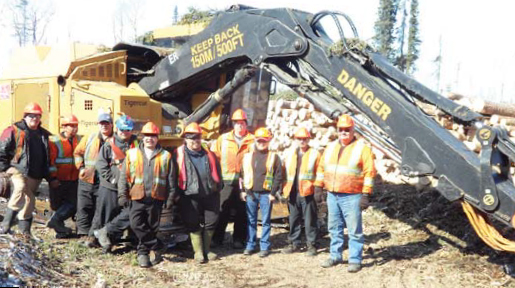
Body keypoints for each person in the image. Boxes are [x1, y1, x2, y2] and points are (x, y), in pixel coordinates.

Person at [315, 114, 376, 272]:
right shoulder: (330, 147)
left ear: (352, 130)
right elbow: (322, 168)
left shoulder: (362, 148)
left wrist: (365, 194)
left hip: (352, 195)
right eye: (341, 129)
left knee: (354, 230)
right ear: (337, 130)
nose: (344, 132)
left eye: (347, 129)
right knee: (334, 227)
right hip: (332, 194)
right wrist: (318, 187)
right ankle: (335, 256)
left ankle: (355, 259)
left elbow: (369, 172)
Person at [119, 121, 174, 268]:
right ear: (142, 137)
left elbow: (171, 180)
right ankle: (156, 245)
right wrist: (122, 195)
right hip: (137, 197)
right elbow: (123, 177)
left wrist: (170, 198)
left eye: (153, 135)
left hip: (156, 197)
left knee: (151, 226)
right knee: (136, 224)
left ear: (157, 138)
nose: (150, 138)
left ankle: (143, 253)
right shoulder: (131, 153)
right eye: (147, 135)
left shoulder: (166, 156)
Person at [0, 102, 56, 235]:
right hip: (17, 169)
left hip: (35, 173)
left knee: (29, 200)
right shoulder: (13, 131)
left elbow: (48, 158)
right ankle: (6, 224)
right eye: (31, 116)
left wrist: (50, 177)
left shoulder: (44, 135)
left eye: (37, 116)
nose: (34, 119)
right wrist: (4, 169)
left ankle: (24, 230)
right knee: (20, 188)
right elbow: (2, 150)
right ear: (25, 116)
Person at [174, 122, 223, 264]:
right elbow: (172, 175)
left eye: (197, 137)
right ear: (186, 139)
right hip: (189, 194)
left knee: (212, 221)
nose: (195, 140)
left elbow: (218, 171)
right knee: (193, 222)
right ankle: (198, 252)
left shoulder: (209, 154)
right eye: (191, 137)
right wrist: (176, 194)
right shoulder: (178, 155)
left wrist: (219, 186)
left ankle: (207, 249)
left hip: (210, 193)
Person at [93, 114, 138, 252]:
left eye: (127, 130)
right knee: (106, 214)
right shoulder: (109, 144)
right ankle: (99, 241)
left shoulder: (137, 143)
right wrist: (113, 179)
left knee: (130, 214)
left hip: (130, 187)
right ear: (117, 129)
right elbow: (101, 164)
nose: (124, 133)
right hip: (111, 186)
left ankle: (124, 239)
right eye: (122, 130)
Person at [211, 109, 254, 249]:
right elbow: (214, 158)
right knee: (223, 210)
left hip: (245, 182)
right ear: (233, 124)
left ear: (246, 124)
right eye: (237, 123)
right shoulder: (223, 139)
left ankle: (238, 239)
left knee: (242, 211)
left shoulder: (252, 140)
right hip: (226, 181)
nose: (240, 126)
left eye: (242, 123)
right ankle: (217, 239)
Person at [240, 127, 283, 258]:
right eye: (259, 141)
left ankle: (264, 246)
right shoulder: (247, 157)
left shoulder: (273, 157)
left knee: (265, 221)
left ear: (268, 141)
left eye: (264, 141)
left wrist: (273, 193)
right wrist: (242, 191)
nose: (261, 143)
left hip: (266, 194)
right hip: (251, 193)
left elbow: (278, 175)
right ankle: (250, 245)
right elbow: (241, 175)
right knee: (251, 220)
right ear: (255, 141)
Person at [74, 112, 113, 246]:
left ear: (111, 125)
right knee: (83, 206)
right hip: (87, 178)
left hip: (104, 180)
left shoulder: (115, 140)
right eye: (102, 123)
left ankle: (92, 236)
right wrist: (80, 167)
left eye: (107, 123)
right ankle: (83, 233)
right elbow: (78, 153)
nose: (104, 126)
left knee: (99, 208)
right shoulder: (90, 137)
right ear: (98, 124)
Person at [280, 127, 320, 256]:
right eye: (299, 139)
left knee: (310, 220)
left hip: (308, 191)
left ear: (308, 139)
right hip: (292, 191)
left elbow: (320, 172)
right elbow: (283, 171)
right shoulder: (290, 153)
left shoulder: (315, 154)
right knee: (293, 219)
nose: (302, 141)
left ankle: (311, 245)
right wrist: (281, 188)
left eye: (304, 139)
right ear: (295, 140)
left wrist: (318, 189)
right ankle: (294, 243)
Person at [47, 114, 81, 238]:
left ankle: (56, 223)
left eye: (75, 126)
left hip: (74, 179)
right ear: (64, 127)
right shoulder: (55, 141)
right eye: (71, 126)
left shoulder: (79, 140)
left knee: (74, 203)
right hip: (60, 179)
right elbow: (51, 162)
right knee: (59, 205)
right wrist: (53, 178)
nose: (74, 128)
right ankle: (58, 225)